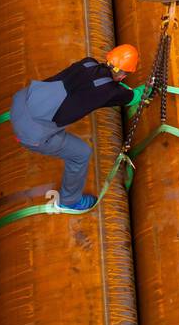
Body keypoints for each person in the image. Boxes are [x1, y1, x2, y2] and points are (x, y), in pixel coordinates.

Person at [9, 45, 140, 211]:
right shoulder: (109, 91)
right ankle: (69, 201)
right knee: (81, 154)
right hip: (32, 133)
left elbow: (95, 87)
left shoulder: (88, 63)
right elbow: (133, 97)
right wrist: (145, 92)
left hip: (21, 101)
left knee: (60, 106)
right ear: (122, 75)